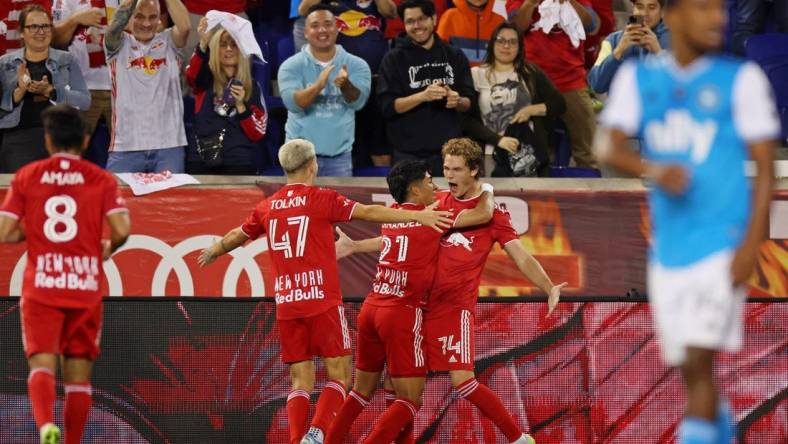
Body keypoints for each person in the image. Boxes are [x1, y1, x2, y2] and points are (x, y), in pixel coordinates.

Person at [594, 0, 779, 442]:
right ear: (671, 15)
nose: (718, 18)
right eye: (702, 8)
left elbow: (767, 167)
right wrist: (653, 170)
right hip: (669, 252)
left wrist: (751, 245)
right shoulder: (642, 79)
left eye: (719, 9)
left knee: (698, 360)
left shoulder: (742, 80)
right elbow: (606, 147)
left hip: (721, 245)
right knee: (694, 372)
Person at [197, 139, 453, 444]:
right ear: (312, 165)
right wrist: (416, 215)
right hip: (321, 300)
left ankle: (297, 439)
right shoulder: (321, 198)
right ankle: (317, 435)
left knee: (300, 379)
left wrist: (215, 249)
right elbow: (369, 212)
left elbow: (238, 235)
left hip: (287, 303)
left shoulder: (266, 207)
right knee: (340, 375)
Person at [337, 138, 566, 444]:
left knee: (462, 381)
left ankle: (518, 438)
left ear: (474, 170)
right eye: (446, 168)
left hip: (453, 308)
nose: (450, 176)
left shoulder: (493, 213)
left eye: (457, 169)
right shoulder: (439, 201)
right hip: (419, 308)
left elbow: (520, 255)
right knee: (398, 384)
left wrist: (548, 286)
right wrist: (355, 246)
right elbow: (401, 236)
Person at [324, 159, 496, 444]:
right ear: (416, 190)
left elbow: (390, 241)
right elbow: (482, 214)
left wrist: (354, 246)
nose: (435, 185)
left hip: (371, 308)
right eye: (430, 181)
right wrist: (488, 188)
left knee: (360, 391)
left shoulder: (393, 214)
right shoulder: (432, 218)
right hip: (401, 313)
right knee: (410, 399)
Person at [0, 104, 131, 444]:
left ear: (47, 141)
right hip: (83, 287)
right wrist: (106, 247)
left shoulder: (28, 175)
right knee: (78, 377)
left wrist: (38, 232)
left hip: (42, 286)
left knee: (41, 364)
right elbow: (122, 228)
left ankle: (45, 425)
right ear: (86, 141)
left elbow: (5, 230)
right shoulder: (101, 179)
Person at [377, 0, 476, 176]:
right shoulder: (392, 59)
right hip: (407, 154)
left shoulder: (454, 54)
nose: (417, 26)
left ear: (434, 19)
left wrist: (457, 100)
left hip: (450, 155)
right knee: (407, 204)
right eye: (410, 21)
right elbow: (388, 107)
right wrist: (423, 96)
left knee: (450, 204)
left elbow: (470, 102)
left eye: (422, 19)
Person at [298, 0, 397, 168]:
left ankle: (384, 188)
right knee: (343, 144)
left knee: (378, 144)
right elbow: (303, 9)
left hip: (374, 81)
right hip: (337, 84)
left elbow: (391, 12)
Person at [278, 4, 372, 177]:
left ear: (337, 29)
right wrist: (318, 86)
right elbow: (294, 104)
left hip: (339, 160)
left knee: (336, 205)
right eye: (314, 26)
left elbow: (358, 103)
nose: (322, 30)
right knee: (301, 205)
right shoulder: (291, 66)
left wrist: (345, 85)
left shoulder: (357, 65)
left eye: (328, 24)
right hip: (299, 160)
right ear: (305, 32)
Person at [466, 22, 566, 177]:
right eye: (501, 40)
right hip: (487, 154)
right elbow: (467, 120)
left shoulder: (530, 72)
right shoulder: (476, 74)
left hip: (526, 155)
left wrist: (531, 110)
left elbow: (559, 104)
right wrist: (498, 140)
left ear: (520, 47)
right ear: (492, 44)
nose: (506, 46)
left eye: (513, 42)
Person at [510, 0, 601, 169]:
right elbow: (515, 29)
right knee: (532, 151)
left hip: (572, 80)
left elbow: (592, 25)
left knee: (588, 153)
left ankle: (593, 192)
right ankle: (535, 190)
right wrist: (530, 3)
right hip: (532, 81)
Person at [0, 5, 91, 173]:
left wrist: (52, 92)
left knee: (58, 196)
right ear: (22, 32)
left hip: (61, 141)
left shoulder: (67, 60)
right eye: (33, 26)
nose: (40, 31)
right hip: (18, 141)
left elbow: (85, 101)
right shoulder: (4, 63)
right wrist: (19, 92)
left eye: (45, 26)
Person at [103, 0, 191, 173]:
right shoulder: (118, 45)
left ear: (160, 19)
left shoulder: (169, 42)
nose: (146, 23)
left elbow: (185, 27)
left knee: (170, 201)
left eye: (152, 17)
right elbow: (112, 28)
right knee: (117, 199)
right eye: (139, 17)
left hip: (169, 147)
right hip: (125, 147)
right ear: (129, 18)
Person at [184, 16, 267, 175]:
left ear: (241, 50)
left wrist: (242, 106)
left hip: (239, 163)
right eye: (223, 45)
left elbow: (258, 133)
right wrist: (203, 44)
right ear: (215, 49)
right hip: (201, 161)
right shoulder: (204, 79)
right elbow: (191, 76)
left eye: (234, 44)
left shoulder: (252, 87)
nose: (229, 49)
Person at [52, 0, 116, 152]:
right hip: (82, 88)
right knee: (69, 152)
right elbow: (54, 39)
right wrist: (75, 19)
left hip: (121, 87)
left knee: (129, 153)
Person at [587, 0, 670, 94]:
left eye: (651, 8)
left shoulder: (677, 42)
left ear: (662, 12)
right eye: (639, 7)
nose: (644, 13)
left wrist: (658, 52)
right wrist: (619, 50)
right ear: (632, 8)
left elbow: (682, 86)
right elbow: (596, 85)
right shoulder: (612, 40)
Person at [435, 0, 505, 66]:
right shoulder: (450, 16)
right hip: (457, 77)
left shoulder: (499, 21)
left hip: (490, 77)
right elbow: (438, 54)